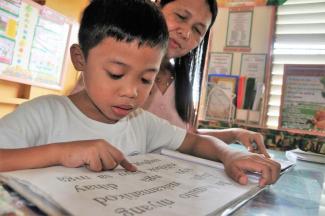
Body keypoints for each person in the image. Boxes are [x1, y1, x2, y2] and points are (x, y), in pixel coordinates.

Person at [0, 0, 280, 187]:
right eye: (116, 74)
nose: (132, 92)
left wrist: (229, 156)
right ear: (80, 58)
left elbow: (194, 143)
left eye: (147, 79)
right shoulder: (44, 113)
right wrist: (61, 152)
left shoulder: (140, 122)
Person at [72, 0, 270, 157]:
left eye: (198, 30)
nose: (185, 33)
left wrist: (235, 134)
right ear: (157, 7)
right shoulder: (107, 71)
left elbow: (185, 138)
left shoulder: (179, 82)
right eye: (181, 16)